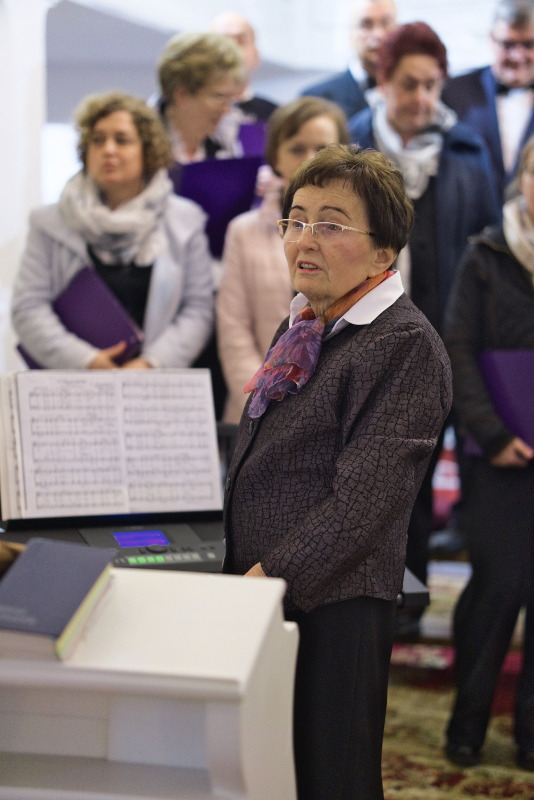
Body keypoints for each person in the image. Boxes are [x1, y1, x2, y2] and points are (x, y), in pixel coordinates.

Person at [222, 143, 452, 800]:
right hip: (273, 595)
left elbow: (362, 506)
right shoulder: (305, 322)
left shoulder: (403, 345)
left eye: (330, 223)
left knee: (331, 777)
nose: (304, 239)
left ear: (384, 252)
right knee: (268, 770)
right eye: (295, 220)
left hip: (334, 604)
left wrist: (265, 581)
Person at [348, 21, 500, 611]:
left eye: (432, 86)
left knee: (432, 476)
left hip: (449, 344)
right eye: (409, 84)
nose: (422, 99)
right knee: (373, 484)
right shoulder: (352, 148)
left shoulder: (466, 151)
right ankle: (374, 604)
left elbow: (485, 254)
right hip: (372, 344)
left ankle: (415, 604)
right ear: (383, 82)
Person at [443, 136, 534, 772]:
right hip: (496, 454)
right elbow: (456, 346)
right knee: (497, 586)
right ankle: (467, 724)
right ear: (520, 178)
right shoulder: (485, 254)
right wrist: (492, 433)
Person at [11, 91, 214, 370]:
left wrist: (151, 363)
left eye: (122, 140)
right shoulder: (48, 222)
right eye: (97, 140)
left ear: (148, 150)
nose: (108, 149)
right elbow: (28, 307)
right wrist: (86, 360)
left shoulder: (185, 220)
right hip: (71, 380)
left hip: (156, 381)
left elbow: (198, 309)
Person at [216, 96, 349, 423]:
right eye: (297, 148)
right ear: (275, 155)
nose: (310, 161)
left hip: (338, 412)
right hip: (255, 411)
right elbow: (234, 330)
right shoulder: (243, 231)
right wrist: (263, 401)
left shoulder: (361, 232)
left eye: (322, 149)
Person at [442, 0, 534, 202]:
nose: (518, 56)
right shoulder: (453, 91)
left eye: (529, 45)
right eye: (508, 44)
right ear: (491, 39)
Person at [156, 32, 246, 163]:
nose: (227, 110)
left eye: (230, 99)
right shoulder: (140, 142)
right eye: (218, 97)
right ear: (181, 94)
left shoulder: (226, 142)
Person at [300, 0, 397, 119]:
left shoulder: (412, 97)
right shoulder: (317, 100)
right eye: (366, 24)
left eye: (386, 23)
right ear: (350, 33)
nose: (378, 34)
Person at [209, 11, 278, 123]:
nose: (233, 49)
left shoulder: (275, 115)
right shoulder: (194, 109)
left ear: (256, 55)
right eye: (224, 42)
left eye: (241, 41)